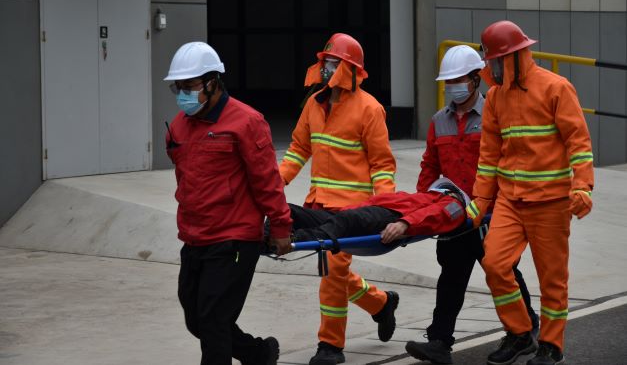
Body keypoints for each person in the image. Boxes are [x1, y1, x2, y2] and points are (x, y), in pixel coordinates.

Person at [467, 21, 594, 365]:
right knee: (495, 264)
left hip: (551, 202)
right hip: (510, 200)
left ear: (513, 56)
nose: (491, 68)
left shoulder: (556, 88)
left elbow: (578, 143)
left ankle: (551, 345)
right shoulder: (496, 98)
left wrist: (582, 186)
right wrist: (480, 200)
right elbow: (489, 155)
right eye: (490, 61)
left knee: (552, 279)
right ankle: (520, 333)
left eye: (495, 61)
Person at [405, 45, 539, 365]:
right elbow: (429, 166)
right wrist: (423, 206)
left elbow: (509, 160)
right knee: (451, 277)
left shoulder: (495, 112)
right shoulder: (439, 121)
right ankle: (439, 342)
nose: (453, 86)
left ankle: (526, 327)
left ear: (476, 79)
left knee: (502, 272)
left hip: (492, 214)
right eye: (448, 81)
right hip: (454, 214)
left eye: (458, 80)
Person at [163, 42, 292, 365]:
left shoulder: (246, 122)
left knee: (213, 320)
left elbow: (267, 180)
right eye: (178, 88)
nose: (183, 94)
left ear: (212, 82)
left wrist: (280, 226)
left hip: (234, 239)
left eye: (189, 86)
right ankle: (258, 354)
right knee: (196, 319)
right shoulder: (179, 125)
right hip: (194, 237)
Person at [279, 33, 399, 365]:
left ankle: (330, 346)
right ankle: (381, 303)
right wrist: (273, 184)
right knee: (334, 272)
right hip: (318, 205)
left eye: (335, 64)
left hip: (351, 211)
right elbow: (298, 149)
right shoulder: (314, 104)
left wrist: (386, 209)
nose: (328, 69)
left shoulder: (370, 109)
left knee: (332, 275)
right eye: (326, 62)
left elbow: (382, 165)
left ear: (351, 70)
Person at [285, 177, 469, 245]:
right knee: (296, 212)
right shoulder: (423, 196)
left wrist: (405, 224)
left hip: (389, 217)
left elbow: (435, 215)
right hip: (365, 211)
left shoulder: (454, 203)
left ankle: (293, 240)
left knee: (347, 220)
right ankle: (274, 230)